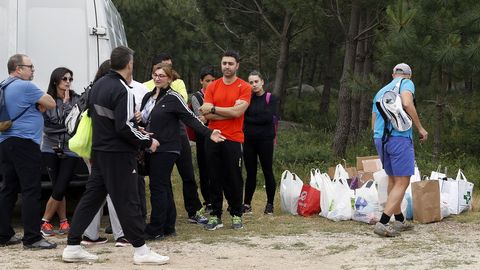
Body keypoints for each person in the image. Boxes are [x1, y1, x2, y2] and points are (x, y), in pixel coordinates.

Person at [61, 46, 169, 265]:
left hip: (99, 152)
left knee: (91, 199)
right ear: (129, 64)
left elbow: (102, 121)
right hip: (118, 155)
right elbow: (124, 127)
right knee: (128, 200)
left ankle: (72, 246)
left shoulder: (98, 85)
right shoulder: (123, 90)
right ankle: (141, 251)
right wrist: (148, 140)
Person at [139, 65, 224, 240]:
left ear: (170, 79)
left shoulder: (173, 97)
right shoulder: (148, 96)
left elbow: (190, 118)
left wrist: (209, 133)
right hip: (151, 147)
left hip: (168, 147)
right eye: (155, 75)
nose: (157, 78)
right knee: (163, 187)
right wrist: (138, 121)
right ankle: (168, 225)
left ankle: (155, 228)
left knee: (157, 187)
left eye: (162, 76)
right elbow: (146, 121)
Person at [0, 54, 57, 249]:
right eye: (30, 67)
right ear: (18, 69)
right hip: (25, 143)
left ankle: (3, 234)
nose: (33, 70)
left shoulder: (3, 85)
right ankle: (32, 238)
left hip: (6, 142)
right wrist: (38, 104)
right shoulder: (25, 86)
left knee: (8, 189)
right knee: (31, 190)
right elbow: (51, 103)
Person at [144, 53, 208, 224]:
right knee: (162, 181)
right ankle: (166, 218)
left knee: (187, 174)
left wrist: (208, 132)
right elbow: (144, 114)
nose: (165, 70)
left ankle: (193, 211)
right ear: (154, 70)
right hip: (156, 141)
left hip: (178, 135)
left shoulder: (177, 85)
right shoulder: (146, 89)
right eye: (162, 67)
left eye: (169, 67)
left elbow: (182, 108)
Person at [372, 63, 428, 237]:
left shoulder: (381, 92)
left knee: (393, 180)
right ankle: (383, 223)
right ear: (408, 75)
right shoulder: (406, 84)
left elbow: (373, 121)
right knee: (402, 182)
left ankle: (400, 219)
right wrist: (420, 128)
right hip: (399, 138)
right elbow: (406, 102)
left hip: (380, 139)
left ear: (392, 74)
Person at [199, 50, 252, 230]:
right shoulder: (212, 86)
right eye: (224, 63)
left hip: (233, 139)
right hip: (213, 138)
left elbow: (238, 113)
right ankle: (215, 215)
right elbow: (204, 114)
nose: (227, 66)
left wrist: (214, 110)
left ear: (237, 65)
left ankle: (236, 214)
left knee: (234, 177)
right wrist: (227, 112)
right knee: (213, 177)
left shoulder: (244, 87)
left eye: (230, 63)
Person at [40, 67, 81, 237]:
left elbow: (75, 126)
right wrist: (64, 118)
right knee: (58, 185)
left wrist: (65, 109)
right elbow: (49, 127)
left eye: (70, 79)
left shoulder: (76, 99)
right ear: (56, 81)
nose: (68, 82)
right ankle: (63, 221)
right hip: (50, 148)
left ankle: (44, 222)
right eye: (64, 79)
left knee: (61, 185)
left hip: (70, 149)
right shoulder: (46, 100)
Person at [242, 70, 278, 215]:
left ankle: (270, 204)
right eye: (251, 82)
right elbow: (241, 116)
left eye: (256, 81)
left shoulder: (271, 98)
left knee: (267, 171)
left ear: (262, 82)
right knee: (250, 173)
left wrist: (248, 120)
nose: (254, 85)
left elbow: (268, 118)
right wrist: (253, 120)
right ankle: (246, 204)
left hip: (265, 140)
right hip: (248, 141)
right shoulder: (247, 99)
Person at [190, 66, 216, 211]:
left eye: (213, 80)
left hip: (217, 135)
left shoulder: (219, 93)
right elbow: (198, 118)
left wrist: (209, 115)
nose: (211, 83)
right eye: (207, 80)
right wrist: (213, 114)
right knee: (204, 170)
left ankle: (217, 197)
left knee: (217, 169)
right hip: (203, 138)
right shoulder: (196, 96)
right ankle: (208, 201)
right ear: (201, 81)